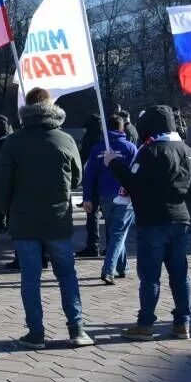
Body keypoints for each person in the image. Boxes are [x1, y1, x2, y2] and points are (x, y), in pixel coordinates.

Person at [0, 88, 91, 349]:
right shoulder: (65, 140)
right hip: (57, 219)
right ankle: (77, 328)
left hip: (24, 220)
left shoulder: (14, 142)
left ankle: (36, 333)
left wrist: (7, 211)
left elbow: (1, 183)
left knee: (30, 278)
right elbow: (77, 178)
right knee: (67, 275)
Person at [106, 105, 191, 341]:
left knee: (150, 275)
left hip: (153, 220)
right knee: (180, 274)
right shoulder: (189, 151)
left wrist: (114, 164)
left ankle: (146, 323)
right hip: (181, 219)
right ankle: (182, 323)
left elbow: (134, 183)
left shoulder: (151, 151)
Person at [82, 114, 138, 285]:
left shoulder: (97, 148)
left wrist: (88, 198)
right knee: (118, 233)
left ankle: (122, 267)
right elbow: (136, 172)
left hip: (104, 196)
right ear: (122, 128)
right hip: (124, 195)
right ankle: (108, 270)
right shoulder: (130, 148)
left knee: (115, 232)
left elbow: (89, 174)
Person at [76, 114, 104, 258]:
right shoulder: (104, 137)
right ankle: (111, 247)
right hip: (106, 180)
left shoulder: (88, 138)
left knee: (92, 214)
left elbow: (82, 157)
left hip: (92, 179)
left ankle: (93, 245)